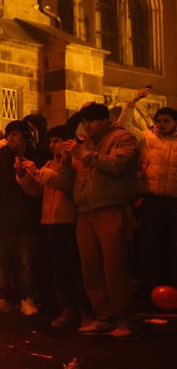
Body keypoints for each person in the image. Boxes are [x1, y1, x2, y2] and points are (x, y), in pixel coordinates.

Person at [66, 102, 142, 340]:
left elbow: (118, 165)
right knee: (92, 267)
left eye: (91, 120)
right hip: (86, 210)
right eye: (84, 121)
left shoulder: (122, 138)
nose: (87, 126)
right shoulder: (85, 144)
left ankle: (126, 319)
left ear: (104, 120)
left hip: (111, 206)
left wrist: (85, 155)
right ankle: (103, 317)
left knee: (114, 266)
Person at [17, 126, 89, 328]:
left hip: (69, 220)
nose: (53, 145)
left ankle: (83, 310)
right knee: (59, 269)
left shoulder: (75, 162)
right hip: (50, 221)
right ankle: (67, 308)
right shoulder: (50, 162)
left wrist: (38, 172)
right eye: (51, 141)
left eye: (57, 140)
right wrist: (24, 175)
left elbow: (65, 185)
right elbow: (37, 190)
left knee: (74, 268)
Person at [118, 88, 177, 291]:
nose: (161, 124)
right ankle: (148, 285)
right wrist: (132, 102)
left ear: (174, 122)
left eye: (166, 121)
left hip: (174, 201)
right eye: (159, 120)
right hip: (151, 199)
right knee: (149, 243)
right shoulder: (146, 137)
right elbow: (124, 127)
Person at [0, 120, 41, 316]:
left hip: (25, 216)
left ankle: (26, 297)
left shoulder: (35, 156)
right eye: (9, 135)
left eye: (15, 134)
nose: (11, 138)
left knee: (26, 259)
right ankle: (3, 296)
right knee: (2, 258)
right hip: (2, 215)